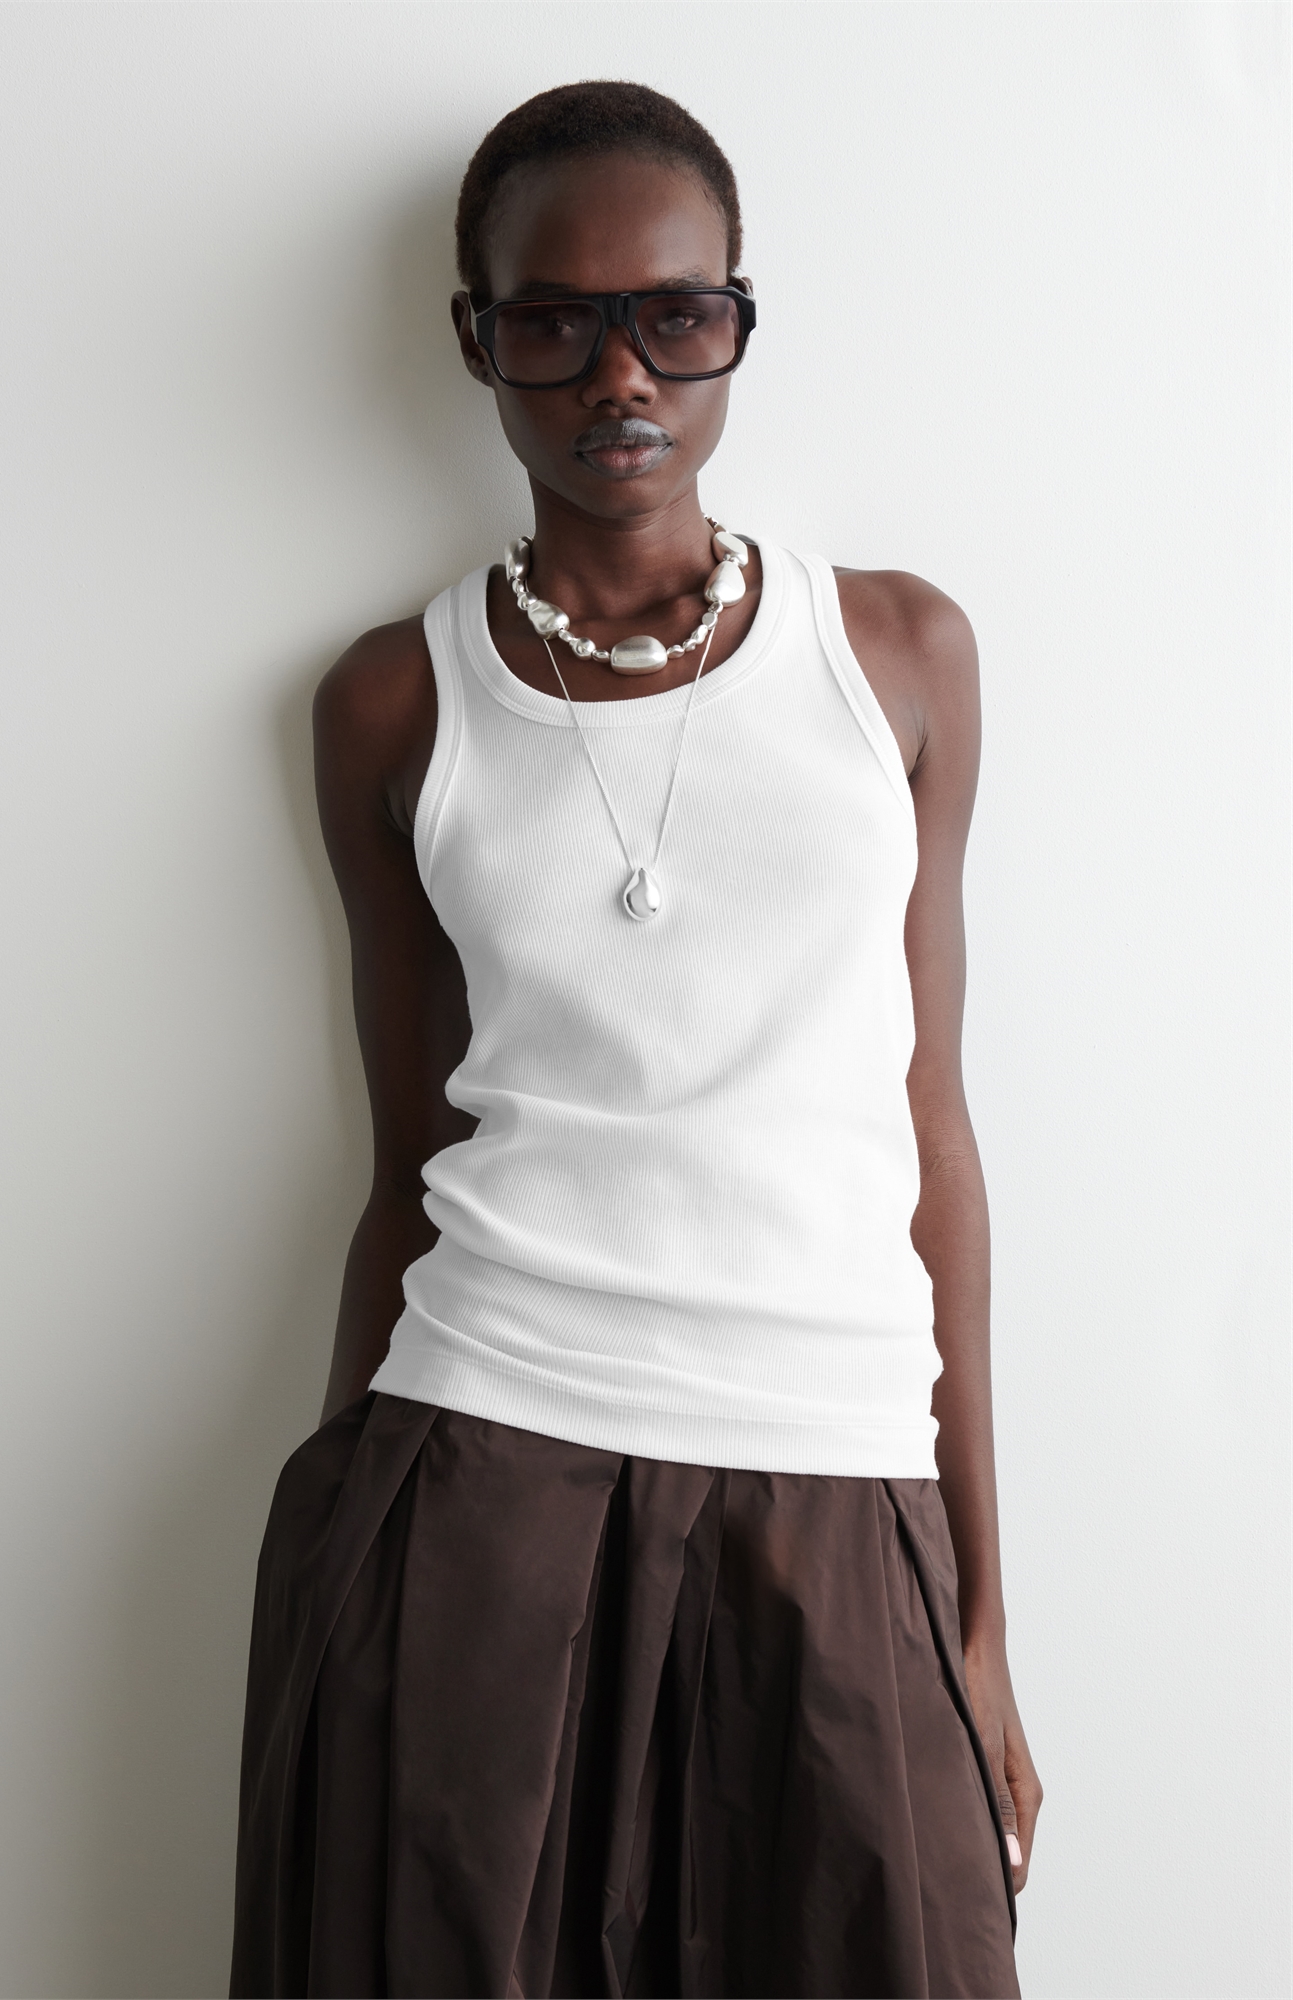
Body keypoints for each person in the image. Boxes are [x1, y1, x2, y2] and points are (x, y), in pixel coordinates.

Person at [229, 79, 1042, 2000]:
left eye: (677, 315)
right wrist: (342, 1524)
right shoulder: (389, 702)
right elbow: (405, 1160)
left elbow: (929, 1125)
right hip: (480, 1470)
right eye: (556, 320)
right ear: (476, 340)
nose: (621, 374)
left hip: (834, 1464)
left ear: (736, 322)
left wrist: (983, 1614)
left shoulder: (897, 656)